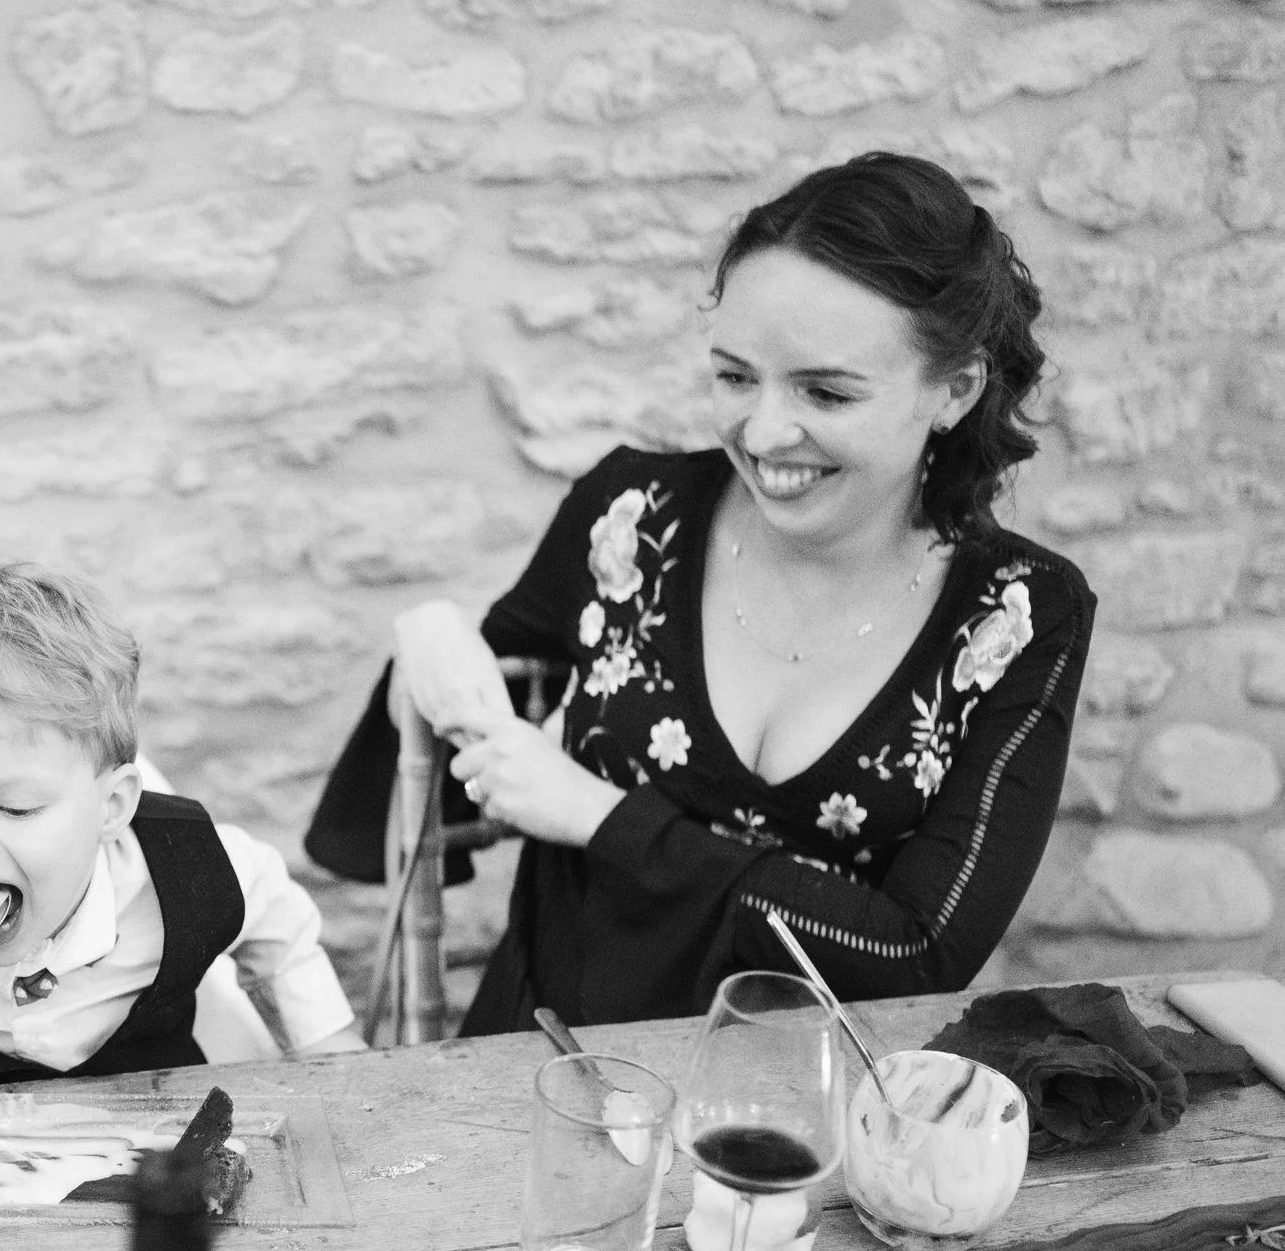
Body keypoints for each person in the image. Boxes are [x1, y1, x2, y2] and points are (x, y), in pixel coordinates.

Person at [307, 153, 1094, 1033]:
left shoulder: (1022, 614)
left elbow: (917, 951)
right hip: (547, 1063)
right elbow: (465, 747)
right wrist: (433, 640)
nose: (762, 432)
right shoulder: (630, 517)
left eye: (826, 391)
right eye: (733, 376)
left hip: (813, 1111)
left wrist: (604, 819)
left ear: (955, 389)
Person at [0, 562, 363, 1090]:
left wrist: (327, 1054)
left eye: (16, 809)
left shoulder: (191, 869)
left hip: (159, 1157)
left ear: (111, 807)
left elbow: (279, 922)